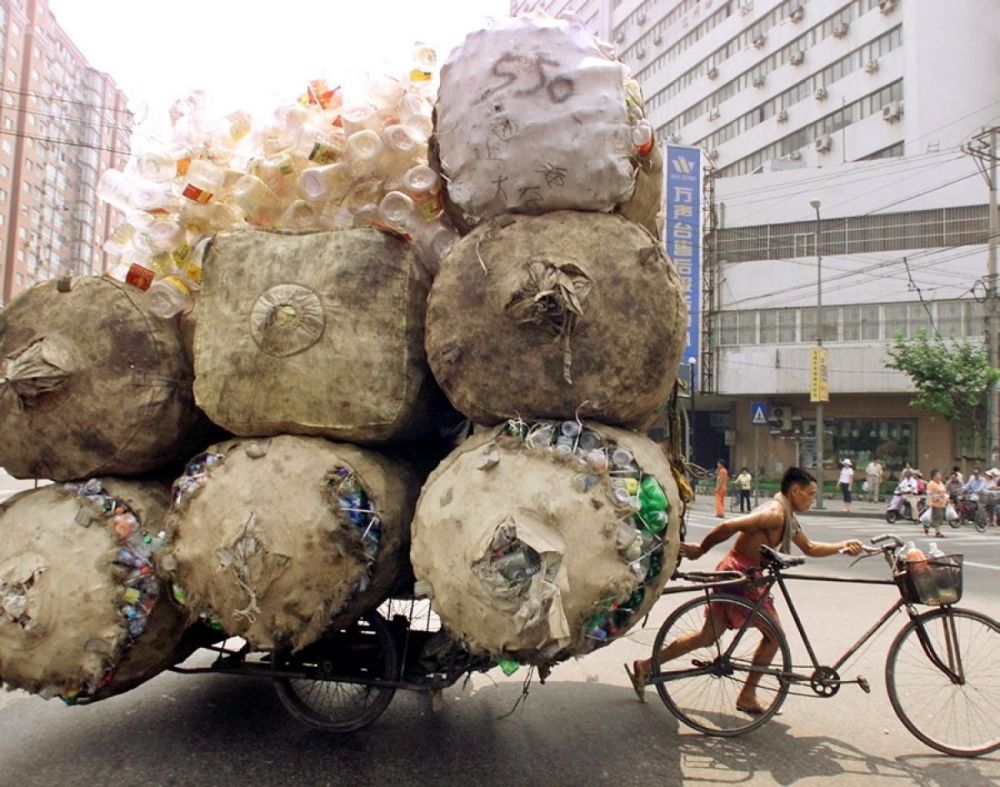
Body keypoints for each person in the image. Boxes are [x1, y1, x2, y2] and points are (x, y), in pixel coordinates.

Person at [625, 467, 863, 712]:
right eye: (810, 494)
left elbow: (809, 547)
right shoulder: (774, 513)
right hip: (740, 575)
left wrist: (842, 546)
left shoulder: (787, 515)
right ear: (795, 491)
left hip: (742, 573)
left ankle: (645, 666)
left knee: (707, 636)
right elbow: (728, 526)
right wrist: (701, 549)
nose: (813, 500)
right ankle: (747, 696)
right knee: (774, 636)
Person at [925, 468, 947, 538]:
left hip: (941, 503)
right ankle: (938, 532)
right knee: (937, 518)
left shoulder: (941, 483)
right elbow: (929, 494)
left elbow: (944, 492)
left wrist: (946, 498)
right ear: (934, 476)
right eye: (938, 475)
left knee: (939, 518)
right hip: (935, 503)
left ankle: (927, 526)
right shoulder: (931, 484)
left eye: (940, 474)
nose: (940, 476)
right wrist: (937, 497)